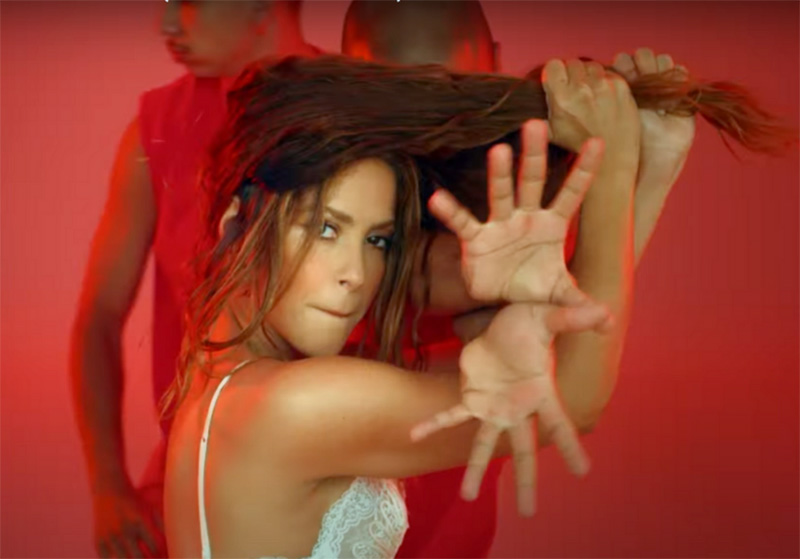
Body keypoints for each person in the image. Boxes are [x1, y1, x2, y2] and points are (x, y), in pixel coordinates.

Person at [163, 52, 640, 558]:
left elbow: (565, 351)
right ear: (237, 225)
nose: (356, 273)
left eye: (378, 240)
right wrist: (611, 162)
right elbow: (570, 398)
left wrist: (644, 173)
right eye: (326, 228)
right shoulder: (292, 407)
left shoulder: (232, 392)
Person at [341, 2, 695, 556]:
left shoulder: (502, 188)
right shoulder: (347, 204)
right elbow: (569, 370)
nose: (428, 126)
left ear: (494, 65)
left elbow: (565, 331)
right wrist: (620, 161)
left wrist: (649, 166)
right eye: (399, 94)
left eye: (448, 90)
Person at [69, 2, 320, 558]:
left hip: (338, 464)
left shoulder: (358, 112)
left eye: (188, 3)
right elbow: (99, 315)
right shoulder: (156, 129)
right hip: (198, 470)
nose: (166, 24)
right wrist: (108, 486)